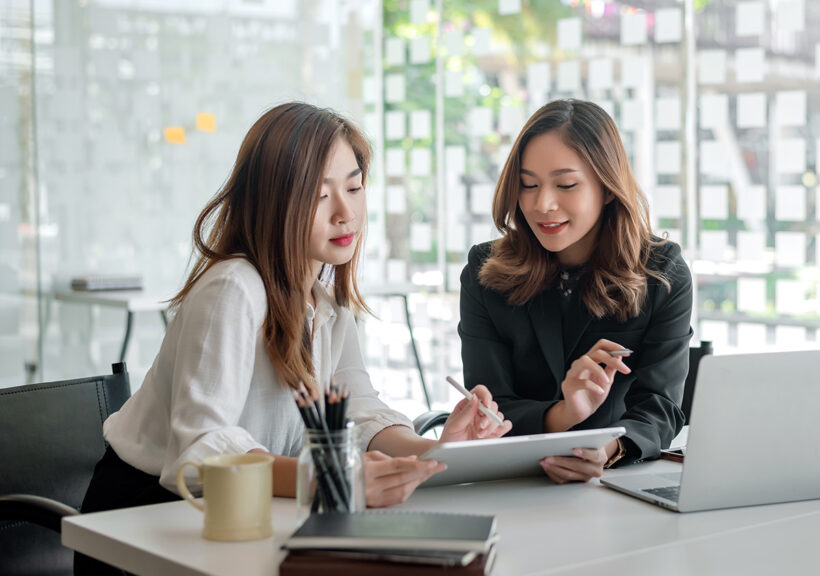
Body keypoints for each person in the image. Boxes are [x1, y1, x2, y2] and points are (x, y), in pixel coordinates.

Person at [78, 102, 512, 566]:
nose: (346, 212)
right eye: (320, 196)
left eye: (354, 187)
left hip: (253, 513)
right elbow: (202, 449)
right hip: (147, 519)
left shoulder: (323, 287)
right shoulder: (233, 288)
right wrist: (330, 478)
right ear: (273, 200)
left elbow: (359, 408)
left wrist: (436, 454)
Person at [459, 98, 693, 484]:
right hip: (510, 483)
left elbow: (660, 406)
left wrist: (607, 450)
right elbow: (490, 401)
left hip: (613, 485)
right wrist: (564, 416)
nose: (542, 204)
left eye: (566, 185)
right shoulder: (485, 271)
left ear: (607, 187)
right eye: (528, 184)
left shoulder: (661, 273)